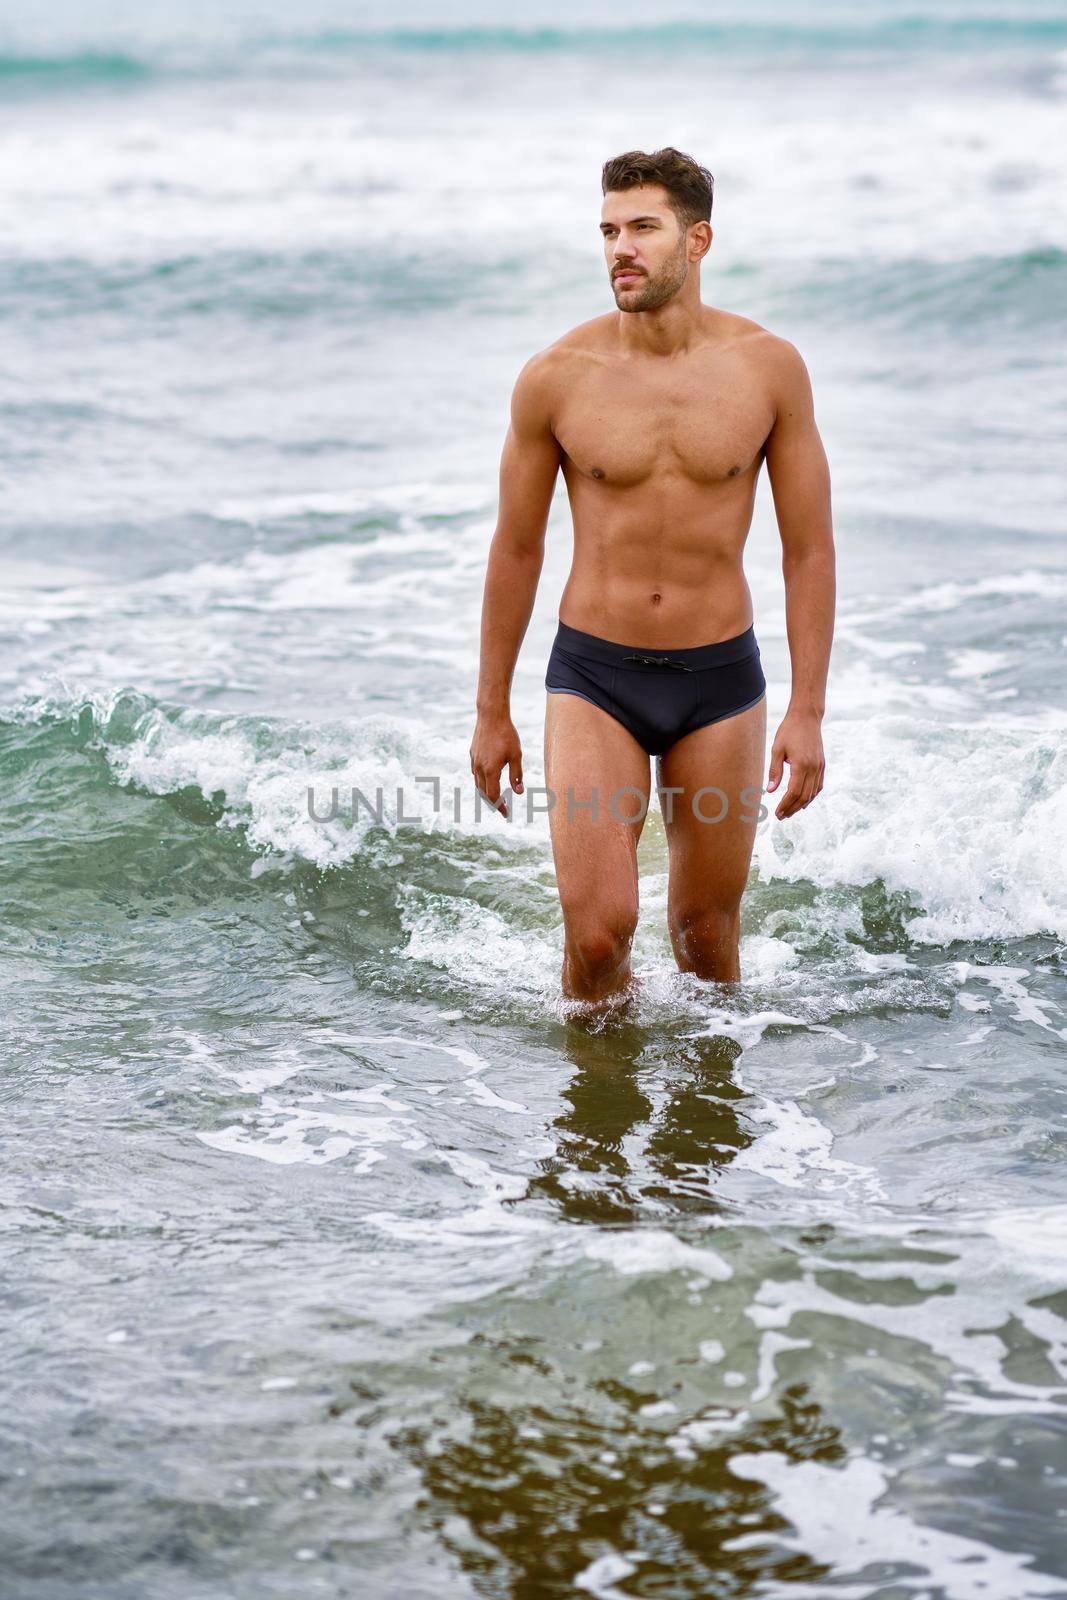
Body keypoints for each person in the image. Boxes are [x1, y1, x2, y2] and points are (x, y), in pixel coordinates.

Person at [470, 146, 835, 1013]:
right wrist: (490, 711)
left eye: (641, 228)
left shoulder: (766, 369)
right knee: (597, 933)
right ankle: (595, 1112)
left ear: (696, 239)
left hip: (720, 680)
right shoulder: (557, 378)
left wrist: (807, 711)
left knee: (705, 940)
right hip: (596, 674)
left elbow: (808, 549)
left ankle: (704, 1130)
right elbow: (514, 548)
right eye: (606, 231)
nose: (618, 249)